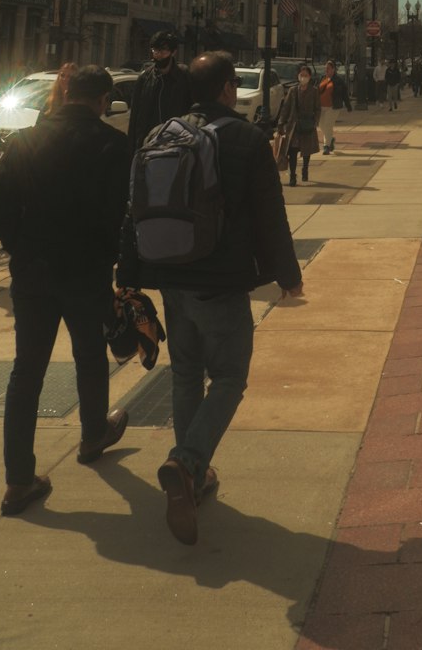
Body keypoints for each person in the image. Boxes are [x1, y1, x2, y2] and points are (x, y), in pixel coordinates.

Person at [119, 51, 303, 544]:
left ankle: (193, 479)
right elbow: (270, 213)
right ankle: (187, 460)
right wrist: (288, 274)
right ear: (227, 88)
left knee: (185, 374)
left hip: (170, 276)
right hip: (220, 283)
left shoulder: (160, 135)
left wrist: (129, 272)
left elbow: (133, 210)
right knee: (228, 377)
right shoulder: (246, 139)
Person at [0, 65, 132, 518]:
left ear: (66, 92)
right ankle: (93, 434)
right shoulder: (113, 145)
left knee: (25, 373)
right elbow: (120, 216)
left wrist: (23, 250)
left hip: (33, 270)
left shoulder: (24, 140)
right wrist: (110, 258)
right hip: (86, 270)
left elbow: (0, 210)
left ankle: (18, 481)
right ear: (103, 99)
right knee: (90, 354)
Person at [127, 29, 193, 151]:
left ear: (173, 52)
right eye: (155, 51)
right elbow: (135, 115)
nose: (158, 55)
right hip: (149, 144)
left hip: (177, 144)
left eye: (163, 51)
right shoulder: (145, 78)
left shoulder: (184, 76)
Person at [276, 63, 321, 185]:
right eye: (301, 75)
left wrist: (315, 121)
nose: (303, 78)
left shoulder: (314, 91)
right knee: (292, 151)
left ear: (310, 77)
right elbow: (286, 108)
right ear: (298, 76)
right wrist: (281, 123)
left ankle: (305, 169)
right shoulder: (292, 91)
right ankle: (292, 176)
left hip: (307, 125)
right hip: (294, 126)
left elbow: (317, 108)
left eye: (306, 75)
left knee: (306, 150)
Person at [317, 59, 352, 153]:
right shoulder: (322, 78)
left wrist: (348, 106)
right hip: (321, 107)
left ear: (333, 69)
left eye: (328, 68)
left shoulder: (338, 81)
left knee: (328, 125)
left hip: (333, 107)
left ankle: (326, 146)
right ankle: (331, 139)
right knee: (321, 124)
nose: (326, 70)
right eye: (325, 68)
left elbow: (344, 94)